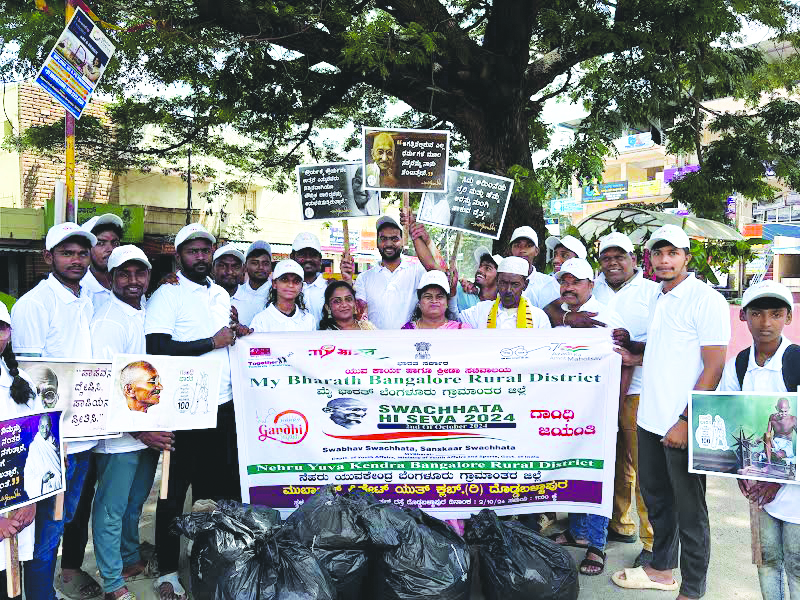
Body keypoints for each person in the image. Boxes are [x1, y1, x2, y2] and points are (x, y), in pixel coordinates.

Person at [612, 224, 730, 599]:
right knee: (658, 499)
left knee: (690, 511)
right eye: (658, 254)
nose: (664, 260)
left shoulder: (704, 299)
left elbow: (713, 366)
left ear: (686, 257)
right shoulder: (659, 296)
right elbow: (669, 348)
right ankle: (662, 569)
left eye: (672, 253)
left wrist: (683, 420)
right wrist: (637, 353)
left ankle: (693, 588)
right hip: (649, 417)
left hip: (681, 422)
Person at [145, 223, 240, 600]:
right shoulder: (167, 294)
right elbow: (156, 348)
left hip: (221, 406)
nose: (200, 257)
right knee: (172, 494)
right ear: (179, 254)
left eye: (205, 250)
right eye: (192, 251)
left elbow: (223, 338)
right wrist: (209, 342)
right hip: (182, 410)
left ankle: (203, 562)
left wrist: (235, 334)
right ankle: (167, 571)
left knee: (211, 493)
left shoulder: (219, 293)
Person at [11, 222, 100, 600]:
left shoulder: (88, 297)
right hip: (53, 443)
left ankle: (43, 591)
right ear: (48, 257)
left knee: (58, 528)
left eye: (82, 253)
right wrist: (49, 439)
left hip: (84, 438)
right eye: (67, 253)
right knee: (44, 535)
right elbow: (29, 383)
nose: (76, 259)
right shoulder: (35, 304)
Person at [89, 244, 171, 600]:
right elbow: (107, 383)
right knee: (111, 509)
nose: (133, 280)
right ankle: (112, 583)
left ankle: (129, 558)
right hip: (121, 436)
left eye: (140, 273)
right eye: (124, 274)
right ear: (111, 278)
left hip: (147, 430)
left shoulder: (147, 311)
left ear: (149, 276)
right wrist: (141, 430)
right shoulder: (108, 321)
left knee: (135, 503)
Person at [718, 280, 799, 600]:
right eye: (757, 314)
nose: (766, 323)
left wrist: (777, 479)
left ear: (788, 318)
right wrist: (740, 470)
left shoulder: (795, 362)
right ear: (743, 316)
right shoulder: (738, 366)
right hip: (760, 486)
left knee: (795, 562)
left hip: (792, 490)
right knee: (766, 560)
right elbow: (728, 418)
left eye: (776, 314)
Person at [60, 213, 125, 600]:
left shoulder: (127, 286)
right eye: (101, 242)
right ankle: (69, 569)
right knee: (78, 500)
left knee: (111, 497)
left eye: (113, 242)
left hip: (116, 408)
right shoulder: (76, 288)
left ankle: (115, 564)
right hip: (80, 410)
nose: (107, 249)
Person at [548, 258, 624, 576]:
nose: (568, 287)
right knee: (572, 467)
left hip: (597, 409)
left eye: (576, 282)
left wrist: (615, 407)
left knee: (597, 475)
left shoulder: (605, 317)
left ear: (591, 285)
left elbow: (624, 362)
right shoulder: (561, 313)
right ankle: (578, 531)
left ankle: (596, 544)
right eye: (564, 281)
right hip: (565, 407)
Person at [592, 232, 657, 567]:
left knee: (644, 466)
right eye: (607, 258)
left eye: (620, 257)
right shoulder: (594, 287)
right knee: (613, 462)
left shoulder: (652, 290)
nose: (613, 263)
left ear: (634, 259)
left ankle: (652, 540)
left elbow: (666, 342)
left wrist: (636, 350)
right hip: (598, 392)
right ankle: (620, 523)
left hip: (638, 390)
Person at [0, 301, 38, 600]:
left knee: (12, 586)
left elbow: (38, 447)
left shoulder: (22, 384)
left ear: (9, 333)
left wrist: (32, 500)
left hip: (17, 513)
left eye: (0, 327)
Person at [344, 216, 429, 330]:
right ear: (377, 242)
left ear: (403, 241)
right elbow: (356, 314)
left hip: (408, 343)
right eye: (383, 239)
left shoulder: (417, 271)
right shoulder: (364, 278)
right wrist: (347, 280)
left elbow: (438, 272)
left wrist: (426, 240)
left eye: (394, 239)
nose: (388, 244)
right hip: (375, 345)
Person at [457, 257, 551, 329]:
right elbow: (453, 319)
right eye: (503, 283)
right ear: (497, 281)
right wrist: (453, 290)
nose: (508, 290)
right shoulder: (481, 310)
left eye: (515, 284)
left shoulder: (539, 317)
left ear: (525, 285)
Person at [250, 260, 316, 333]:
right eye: (284, 279)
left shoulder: (309, 319)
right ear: (274, 283)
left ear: (301, 287)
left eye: (296, 281)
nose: (290, 285)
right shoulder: (260, 320)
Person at [508, 226, 561, 310]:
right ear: (511, 250)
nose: (522, 250)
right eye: (517, 245)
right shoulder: (500, 282)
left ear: (536, 251)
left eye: (528, 246)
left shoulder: (549, 283)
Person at [80, 214, 124, 312]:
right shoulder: (81, 289)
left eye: (115, 243)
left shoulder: (129, 282)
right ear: (87, 249)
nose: (110, 249)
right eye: (100, 243)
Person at [402, 270, 470, 330]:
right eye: (428, 297)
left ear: (447, 302)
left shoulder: (461, 330)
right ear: (419, 302)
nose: (434, 301)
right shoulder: (407, 330)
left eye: (439, 297)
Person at [231, 241, 272, 327]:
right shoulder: (236, 293)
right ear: (245, 266)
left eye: (265, 263)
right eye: (255, 263)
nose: (260, 267)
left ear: (271, 267)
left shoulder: (278, 294)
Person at [290, 233, 327, 323]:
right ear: (292, 257)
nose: (308, 259)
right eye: (302, 254)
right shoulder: (283, 290)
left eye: (313, 255)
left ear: (320, 259)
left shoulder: (330, 288)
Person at [23, 414, 62, 499]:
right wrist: (42, 479)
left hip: (58, 486)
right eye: (42, 426)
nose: (45, 430)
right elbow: (28, 474)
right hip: (43, 488)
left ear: (51, 426)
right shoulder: (34, 446)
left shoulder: (55, 444)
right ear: (38, 427)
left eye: (47, 426)